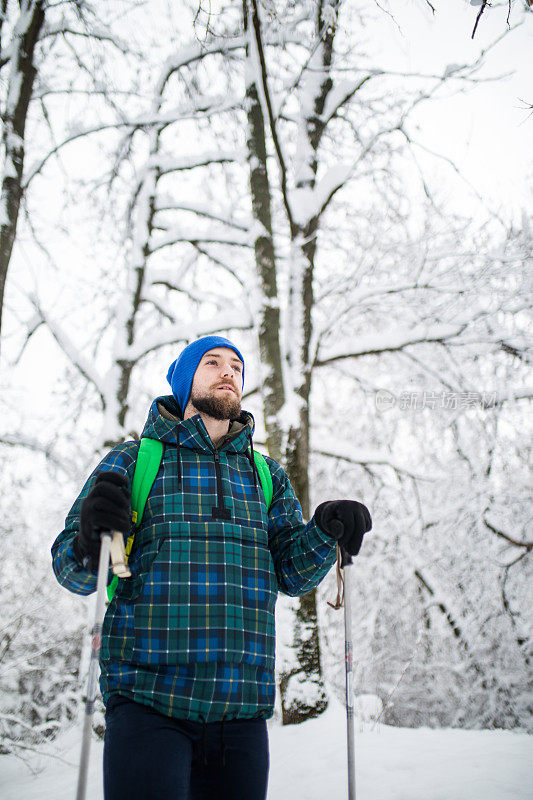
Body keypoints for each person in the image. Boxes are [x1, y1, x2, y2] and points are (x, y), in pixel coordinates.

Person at [52, 335, 372, 800]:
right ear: (185, 382)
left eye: (237, 367)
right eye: (213, 362)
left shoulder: (266, 475)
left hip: (241, 711)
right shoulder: (134, 461)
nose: (229, 372)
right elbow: (74, 570)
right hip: (147, 700)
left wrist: (325, 532)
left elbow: (291, 574)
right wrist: (91, 538)